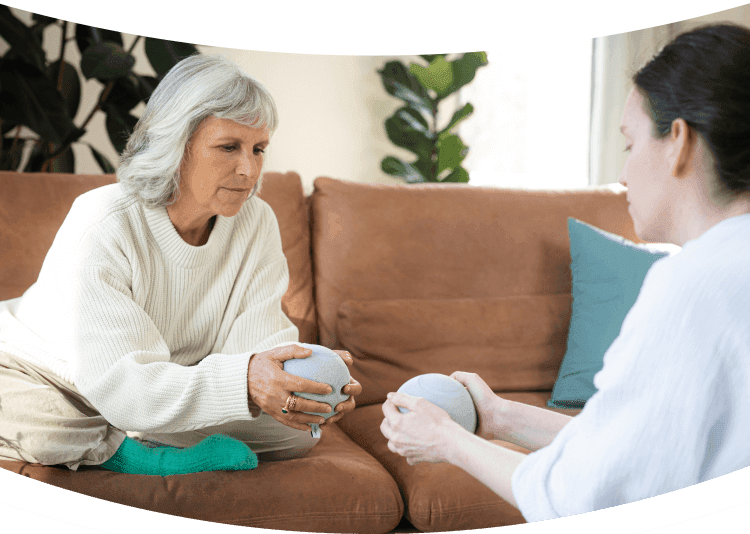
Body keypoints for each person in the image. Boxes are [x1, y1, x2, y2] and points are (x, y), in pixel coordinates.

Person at [381, 23, 750, 521]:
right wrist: (499, 417)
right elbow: (631, 447)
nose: (621, 175)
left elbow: (583, 497)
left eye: (629, 143)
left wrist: (446, 440)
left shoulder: (692, 287)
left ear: (678, 142)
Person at [0, 54, 361, 476]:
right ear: (175, 144)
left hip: (160, 385)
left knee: (294, 433)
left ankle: (134, 425)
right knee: (22, 399)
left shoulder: (256, 220)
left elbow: (259, 345)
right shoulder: (103, 219)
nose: (248, 169)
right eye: (228, 147)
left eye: (258, 149)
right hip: (42, 371)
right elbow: (119, 382)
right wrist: (242, 382)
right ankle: (134, 453)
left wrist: (301, 387)